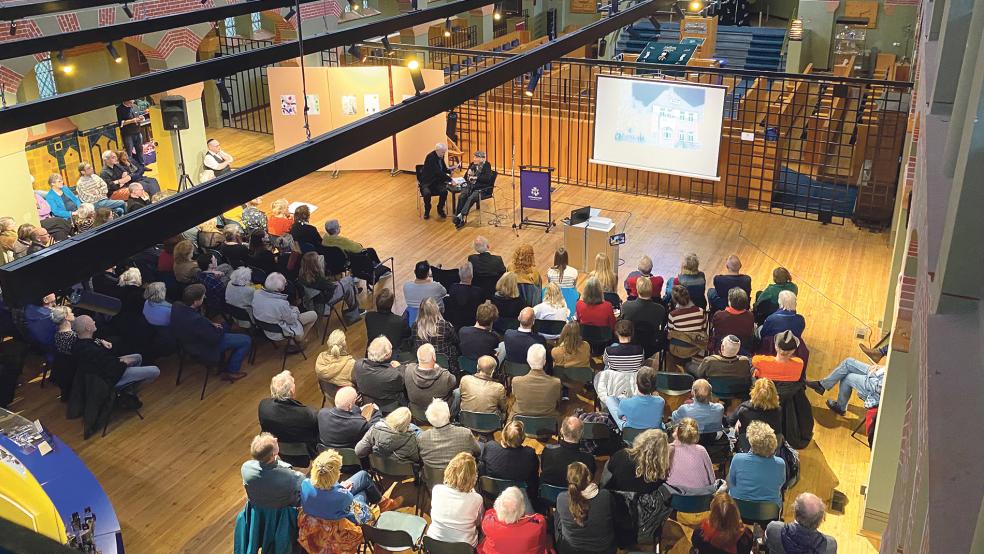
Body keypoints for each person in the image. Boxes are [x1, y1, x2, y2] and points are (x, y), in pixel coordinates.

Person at [298, 449, 401, 551]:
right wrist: (342, 490)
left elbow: (326, 493)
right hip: (341, 522)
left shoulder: (305, 484)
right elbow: (347, 500)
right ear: (334, 475)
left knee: (363, 475)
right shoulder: (341, 496)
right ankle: (382, 508)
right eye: (338, 470)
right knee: (362, 493)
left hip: (321, 513)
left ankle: (383, 503)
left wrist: (339, 487)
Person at [169, 284, 251, 381]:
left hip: (187, 343)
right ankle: (231, 371)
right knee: (246, 340)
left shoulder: (177, 306)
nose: (205, 298)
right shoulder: (196, 320)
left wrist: (210, 323)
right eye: (203, 297)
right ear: (196, 302)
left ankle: (222, 363)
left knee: (226, 327)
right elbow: (214, 338)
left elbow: (199, 323)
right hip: (203, 347)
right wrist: (219, 328)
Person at [73, 315, 160, 397]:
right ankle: (126, 393)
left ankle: (128, 388)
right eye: (92, 321)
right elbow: (112, 368)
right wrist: (124, 362)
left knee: (138, 357)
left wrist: (101, 341)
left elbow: (105, 361)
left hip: (104, 369)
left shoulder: (80, 343)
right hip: (106, 379)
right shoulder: (92, 350)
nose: (94, 322)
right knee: (155, 371)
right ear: (88, 328)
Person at [556, 461, 617, 554]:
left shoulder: (561, 498)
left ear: (568, 479)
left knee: (557, 518)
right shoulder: (605, 496)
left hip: (571, 549)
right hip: (603, 549)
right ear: (589, 477)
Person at [258, 370, 319, 461]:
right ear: (292, 391)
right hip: (304, 452)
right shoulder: (308, 414)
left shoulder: (263, 406)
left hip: (276, 448)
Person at [427, 452, 484, 545]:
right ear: (473, 477)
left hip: (434, 543)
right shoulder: (477, 499)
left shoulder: (437, 489)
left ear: (449, 470)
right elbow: (478, 522)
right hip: (464, 547)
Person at [727, 421, 785, 508]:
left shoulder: (738, 459)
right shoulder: (780, 463)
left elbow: (731, 482)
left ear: (751, 442)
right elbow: (781, 483)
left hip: (738, 509)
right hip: (769, 512)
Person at [478, 486, 551, 554]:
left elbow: (490, 512)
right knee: (522, 490)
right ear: (523, 510)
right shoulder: (537, 526)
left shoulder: (488, 523)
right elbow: (539, 518)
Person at [241, 433, 304, 508]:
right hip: (283, 512)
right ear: (273, 454)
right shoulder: (290, 476)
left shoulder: (246, 467)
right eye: (274, 442)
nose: (276, 439)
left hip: (258, 508)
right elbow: (304, 483)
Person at [297, 251, 362, 324]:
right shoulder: (318, 279)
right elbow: (332, 288)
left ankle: (355, 306)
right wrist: (337, 283)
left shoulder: (302, 277)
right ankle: (355, 311)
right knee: (349, 282)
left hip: (315, 302)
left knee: (349, 286)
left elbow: (327, 286)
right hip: (323, 303)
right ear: (314, 264)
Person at [807, 357, 886, 417]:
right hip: (881, 375)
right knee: (848, 362)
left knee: (847, 378)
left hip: (877, 387)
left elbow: (879, 386)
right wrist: (881, 368)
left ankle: (840, 406)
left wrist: (873, 372)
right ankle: (822, 385)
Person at [252, 272, 318, 341]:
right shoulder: (281, 304)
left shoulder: (256, 293)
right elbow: (292, 320)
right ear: (279, 289)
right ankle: (298, 340)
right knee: (313, 315)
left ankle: (295, 340)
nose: (286, 285)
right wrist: (296, 310)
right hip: (279, 331)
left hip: (266, 329)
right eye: (285, 284)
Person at [765, 492, 838, 554]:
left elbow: (767, 544)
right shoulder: (829, 546)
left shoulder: (774, 529)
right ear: (820, 521)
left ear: (795, 513)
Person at [479, 420, 539, 492]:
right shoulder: (530, 454)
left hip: (493, 492)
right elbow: (535, 475)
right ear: (523, 437)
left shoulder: (490, 447)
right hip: (520, 494)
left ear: (503, 434)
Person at [602, 429, 669, 493]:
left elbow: (606, 477)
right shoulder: (658, 472)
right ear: (662, 451)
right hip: (639, 503)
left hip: (614, 496)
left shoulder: (620, 455)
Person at [419, 399, 480, 469]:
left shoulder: (422, 438)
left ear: (429, 419)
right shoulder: (465, 433)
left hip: (432, 479)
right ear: (449, 415)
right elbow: (477, 452)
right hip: (460, 477)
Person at [352, 336, 407, 411]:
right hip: (389, 405)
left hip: (367, 402)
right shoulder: (394, 375)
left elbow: (355, 380)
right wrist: (400, 367)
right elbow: (402, 385)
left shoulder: (358, 364)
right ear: (387, 355)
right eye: (391, 350)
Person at [690, 493, 755, 554]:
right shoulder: (745, 537)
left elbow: (695, 544)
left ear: (712, 515)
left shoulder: (700, 534)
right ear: (736, 514)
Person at [540, 416, 597, 486]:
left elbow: (542, 469)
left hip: (548, 495)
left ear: (561, 431)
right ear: (581, 434)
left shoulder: (547, 451)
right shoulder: (589, 458)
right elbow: (590, 478)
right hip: (577, 495)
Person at [404, 343, 459, 416]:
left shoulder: (408, 370)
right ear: (434, 357)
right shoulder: (445, 376)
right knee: (458, 392)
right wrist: (437, 368)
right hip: (439, 415)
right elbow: (454, 382)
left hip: (417, 415)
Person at [354, 406, 420, 465]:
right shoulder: (411, 439)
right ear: (406, 424)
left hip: (380, 469)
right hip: (403, 474)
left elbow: (359, 451)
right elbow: (417, 459)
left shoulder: (374, 429)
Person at [510, 344, 561, 419]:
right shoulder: (556, 382)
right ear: (544, 362)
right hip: (548, 421)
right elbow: (557, 400)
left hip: (521, 421)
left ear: (527, 360)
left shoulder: (516, 381)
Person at [606, 365, 663, 431]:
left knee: (610, 399)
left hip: (629, 432)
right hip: (653, 434)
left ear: (636, 383)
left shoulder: (625, 403)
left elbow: (620, 416)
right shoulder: (661, 401)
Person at [729, 378, 782, 448]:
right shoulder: (778, 410)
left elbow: (730, 421)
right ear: (774, 393)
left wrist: (738, 422)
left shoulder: (744, 409)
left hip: (749, 446)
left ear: (754, 391)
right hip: (772, 448)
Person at [411, 297, 459, 372]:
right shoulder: (444, 325)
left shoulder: (415, 326)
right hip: (445, 363)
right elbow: (456, 340)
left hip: (423, 363)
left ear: (420, 311)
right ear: (436, 309)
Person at [666, 418, 715, 489]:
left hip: (675, 495)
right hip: (701, 495)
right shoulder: (701, 450)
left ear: (677, 432)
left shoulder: (669, 449)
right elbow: (712, 478)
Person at [452, 150, 495, 228]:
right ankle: (459, 218)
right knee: (462, 196)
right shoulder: (472, 165)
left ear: (482, 159)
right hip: (471, 187)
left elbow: (487, 179)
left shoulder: (487, 166)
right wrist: (466, 177)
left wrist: (475, 177)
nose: (474, 159)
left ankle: (461, 215)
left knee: (471, 197)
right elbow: (465, 177)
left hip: (482, 189)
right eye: (474, 157)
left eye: (476, 157)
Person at [364, 288, 411, 353]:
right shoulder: (400, 321)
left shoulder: (369, 316)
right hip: (391, 356)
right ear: (391, 304)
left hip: (372, 353)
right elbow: (408, 335)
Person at [711, 287, 754, 354]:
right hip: (743, 348)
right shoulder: (750, 316)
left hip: (722, 348)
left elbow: (715, 328)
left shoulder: (719, 315)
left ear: (729, 302)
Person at [446, 262, 489, 329]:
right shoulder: (478, 291)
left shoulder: (453, 288)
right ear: (472, 276)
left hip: (456, 322)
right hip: (472, 322)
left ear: (459, 275)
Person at [316, 329, 355, 394]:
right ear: (345, 345)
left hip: (329, 395)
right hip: (347, 400)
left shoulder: (320, 359)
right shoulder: (351, 364)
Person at [420, 142, 452, 219]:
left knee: (444, 191)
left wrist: (450, 171)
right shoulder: (430, 157)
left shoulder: (440, 156)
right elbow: (437, 171)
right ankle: (427, 210)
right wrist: (450, 179)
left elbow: (443, 168)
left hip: (437, 181)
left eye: (444, 152)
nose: (444, 154)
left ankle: (440, 209)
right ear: (437, 150)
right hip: (428, 182)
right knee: (427, 193)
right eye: (442, 152)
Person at [117, 99, 146, 167]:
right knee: (129, 152)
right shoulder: (119, 109)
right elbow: (120, 123)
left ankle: (142, 166)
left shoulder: (135, 106)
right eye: (131, 100)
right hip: (128, 134)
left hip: (138, 132)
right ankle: (132, 168)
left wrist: (141, 118)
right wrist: (132, 121)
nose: (133, 101)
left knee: (140, 150)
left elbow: (138, 116)